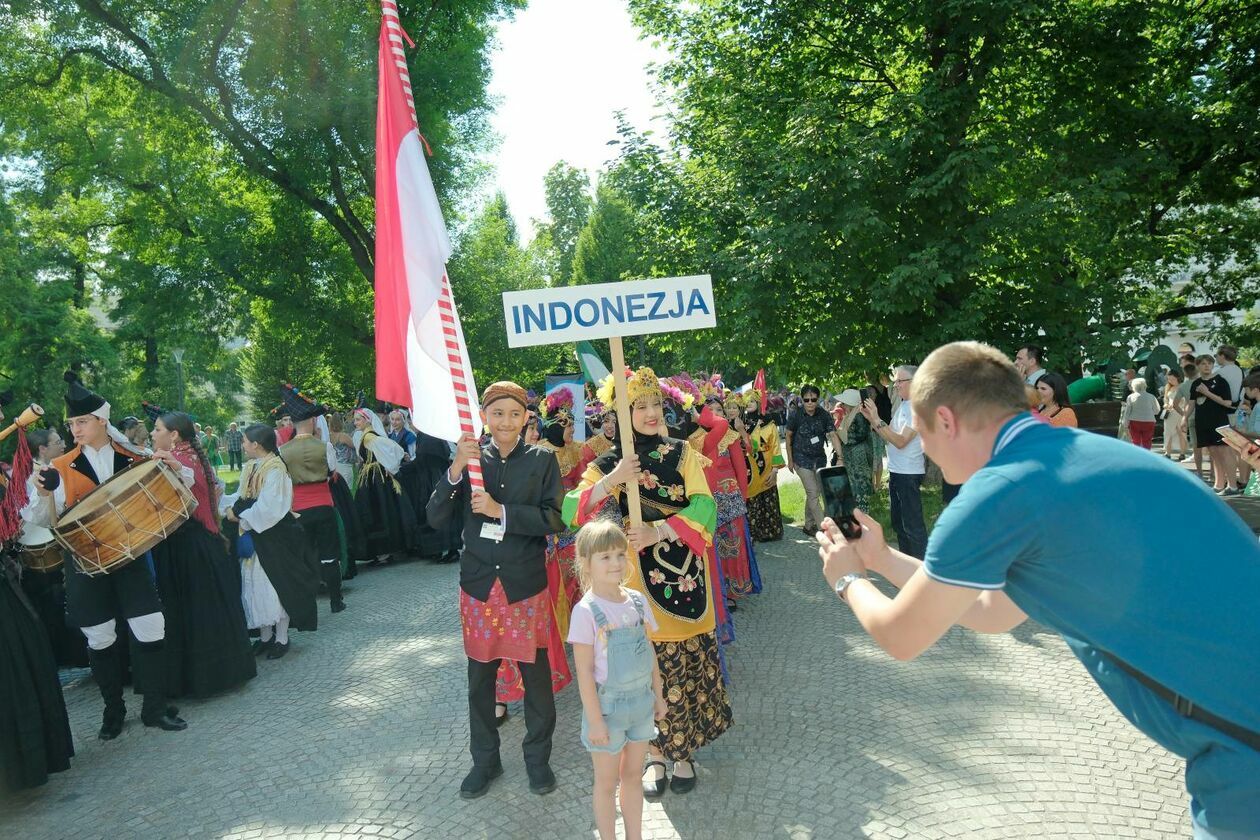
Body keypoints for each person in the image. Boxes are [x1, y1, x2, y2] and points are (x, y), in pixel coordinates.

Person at [815, 340, 1260, 840]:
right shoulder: (1079, 453)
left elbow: (902, 636)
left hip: (1242, 752)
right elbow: (993, 611)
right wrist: (879, 558)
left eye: (921, 431)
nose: (929, 454)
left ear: (946, 420)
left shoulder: (998, 491)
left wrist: (847, 578)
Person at [565, 367, 731, 798]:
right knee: (636, 670)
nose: (652, 412)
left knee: (683, 666)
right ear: (621, 413)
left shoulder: (682, 453)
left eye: (656, 403)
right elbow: (571, 511)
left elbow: (706, 508)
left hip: (683, 578)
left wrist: (661, 531)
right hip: (631, 583)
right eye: (639, 407)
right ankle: (653, 753)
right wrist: (613, 479)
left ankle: (684, 753)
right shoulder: (607, 461)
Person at [21, 372, 186, 738]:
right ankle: (113, 710)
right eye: (70, 424)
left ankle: (154, 707)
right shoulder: (58, 468)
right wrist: (45, 493)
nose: (75, 429)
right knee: (100, 635)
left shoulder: (133, 456)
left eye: (82, 421)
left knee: (150, 626)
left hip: (130, 556)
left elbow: (180, 481)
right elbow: (43, 520)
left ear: (102, 420)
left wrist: (176, 468)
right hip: (85, 562)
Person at [426, 381, 566, 800]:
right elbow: (435, 517)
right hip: (479, 586)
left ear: (527, 418)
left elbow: (555, 518)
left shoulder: (542, 459)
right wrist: (454, 469)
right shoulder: (471, 460)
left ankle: (538, 762)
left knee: (536, 680)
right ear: (484, 417)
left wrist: (502, 512)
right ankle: (485, 762)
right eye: (497, 413)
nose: (506, 422)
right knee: (479, 682)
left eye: (514, 414)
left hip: (524, 585)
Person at [568, 520, 668, 840]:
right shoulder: (586, 611)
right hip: (607, 711)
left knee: (633, 777)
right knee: (607, 782)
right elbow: (584, 671)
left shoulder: (637, 601)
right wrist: (595, 721)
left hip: (641, 705)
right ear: (586, 564)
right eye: (604, 557)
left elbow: (649, 651)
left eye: (618, 555)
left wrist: (659, 695)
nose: (614, 563)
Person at [150, 412, 256, 697]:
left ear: (174, 435)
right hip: (194, 544)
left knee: (195, 610)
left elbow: (190, 485)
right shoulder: (186, 456)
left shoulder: (182, 460)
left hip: (189, 546)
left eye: (157, 429)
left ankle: (204, 678)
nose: (152, 433)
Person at [221, 423, 319, 659]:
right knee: (253, 585)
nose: (242, 444)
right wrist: (226, 505)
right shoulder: (252, 466)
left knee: (275, 584)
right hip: (256, 535)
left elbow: (270, 506)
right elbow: (244, 496)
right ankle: (265, 637)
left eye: (244, 441)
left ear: (256, 444)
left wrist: (240, 517)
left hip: (275, 535)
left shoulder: (275, 469)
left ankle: (282, 637)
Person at [278, 385, 346, 613]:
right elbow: (330, 474)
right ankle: (336, 602)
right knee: (329, 555)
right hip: (324, 506)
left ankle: (308, 605)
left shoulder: (283, 451)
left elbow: (284, 479)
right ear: (312, 422)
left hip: (298, 509)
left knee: (304, 556)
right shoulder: (324, 446)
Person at [862, 366, 928, 559]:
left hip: (909, 474)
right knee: (899, 524)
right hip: (897, 472)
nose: (895, 385)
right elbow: (888, 435)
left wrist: (876, 418)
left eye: (900, 381)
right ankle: (908, 568)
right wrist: (872, 420)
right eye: (896, 381)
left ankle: (924, 572)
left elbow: (900, 441)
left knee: (913, 526)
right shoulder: (904, 405)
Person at [351, 407, 415, 562]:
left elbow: (390, 447)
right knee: (380, 509)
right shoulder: (367, 436)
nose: (355, 423)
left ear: (367, 420)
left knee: (378, 510)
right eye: (355, 420)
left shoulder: (369, 437)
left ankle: (383, 551)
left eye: (358, 419)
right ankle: (383, 551)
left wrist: (400, 455)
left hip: (375, 479)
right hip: (371, 477)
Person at [785, 384, 843, 535]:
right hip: (801, 460)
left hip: (819, 460)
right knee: (813, 493)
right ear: (802, 400)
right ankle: (823, 528)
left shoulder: (824, 415)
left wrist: (841, 457)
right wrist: (790, 460)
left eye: (813, 399)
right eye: (806, 399)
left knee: (814, 493)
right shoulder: (795, 414)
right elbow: (788, 435)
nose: (810, 402)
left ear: (818, 399)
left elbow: (833, 434)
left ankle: (808, 525)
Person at [1186, 354, 1239, 496]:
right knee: (1213, 453)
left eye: (1209, 363)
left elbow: (1227, 402)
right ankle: (1219, 484)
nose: (1206, 366)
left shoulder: (1221, 381)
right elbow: (1191, 404)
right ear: (1198, 366)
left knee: (1225, 452)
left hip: (1219, 421)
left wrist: (1207, 393)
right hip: (1203, 421)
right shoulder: (1196, 383)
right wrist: (1184, 418)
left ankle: (1233, 486)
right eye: (1203, 364)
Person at [743, 393, 785, 541]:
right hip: (749, 470)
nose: (749, 403)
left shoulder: (769, 423)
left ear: (759, 403)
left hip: (767, 468)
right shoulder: (741, 423)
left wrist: (775, 470)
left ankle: (769, 533)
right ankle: (752, 534)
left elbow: (775, 447)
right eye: (746, 401)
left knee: (767, 499)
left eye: (752, 400)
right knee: (752, 501)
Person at [836, 389, 874, 512]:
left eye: (844, 403)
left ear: (850, 403)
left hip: (860, 459)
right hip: (852, 459)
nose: (842, 405)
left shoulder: (860, 415)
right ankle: (857, 519)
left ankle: (863, 521)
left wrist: (839, 434)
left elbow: (858, 437)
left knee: (860, 488)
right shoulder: (852, 415)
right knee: (854, 488)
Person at [1163, 370, 1189, 460]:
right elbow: (1166, 399)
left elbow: (1186, 400)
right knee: (1168, 432)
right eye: (1169, 379)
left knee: (1181, 433)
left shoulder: (1182, 387)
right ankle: (1168, 452)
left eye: (1172, 379)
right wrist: (1166, 404)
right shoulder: (1168, 387)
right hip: (1170, 412)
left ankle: (1182, 453)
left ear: (1177, 377)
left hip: (1180, 411)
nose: (1170, 381)